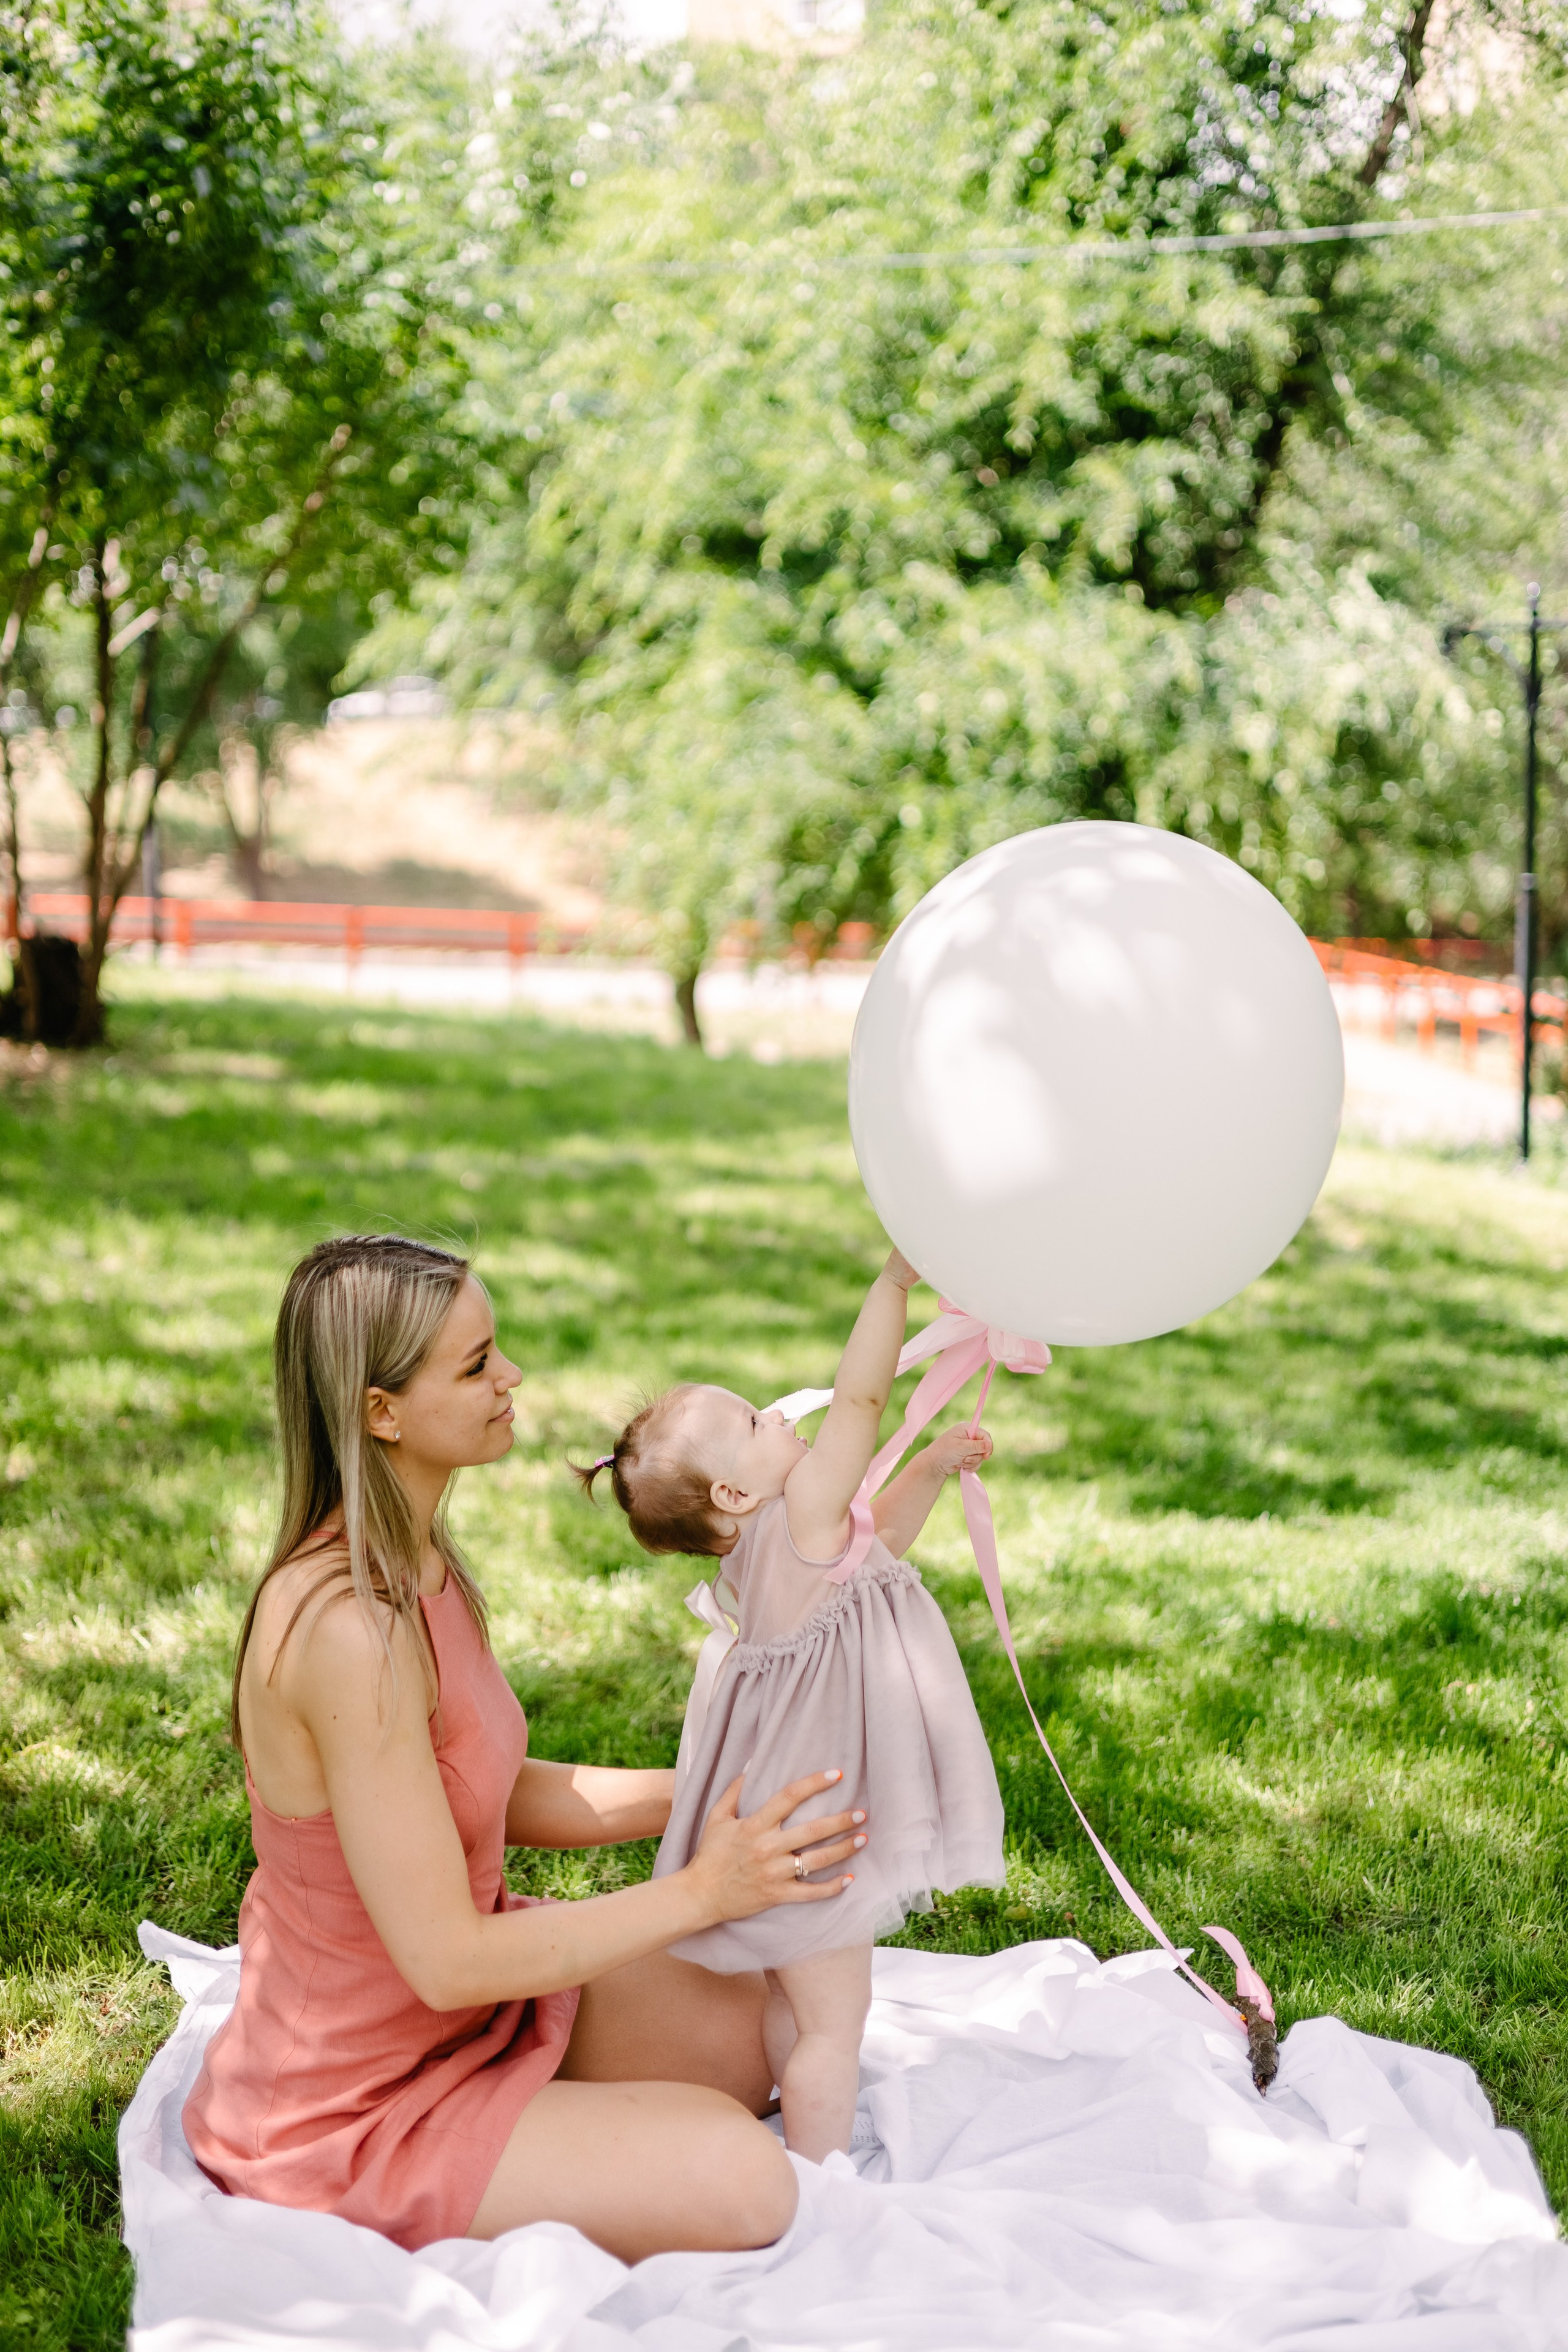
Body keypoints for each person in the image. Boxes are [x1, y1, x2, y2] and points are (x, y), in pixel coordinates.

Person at [183, 1234, 867, 2262]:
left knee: (757, 2032)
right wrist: (702, 1892)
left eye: (495, 1347)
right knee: (746, 2182)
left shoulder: (422, 1561)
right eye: (475, 1366)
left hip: (474, 2015)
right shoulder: (346, 1629)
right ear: (381, 1412)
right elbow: (450, 1961)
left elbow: (484, 1792)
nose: (513, 1378)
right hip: (358, 2098)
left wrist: (710, 1791)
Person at [576, 1250, 1005, 2162]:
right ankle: (822, 2175)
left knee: (795, 2005)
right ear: (734, 1493)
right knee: (831, 2031)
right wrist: (893, 1287)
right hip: (815, 1832)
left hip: (781, 1820)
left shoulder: (771, 1544)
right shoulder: (799, 1513)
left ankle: (800, 2141)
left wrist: (929, 1465)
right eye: (751, 1420)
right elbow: (857, 1402)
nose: (776, 1413)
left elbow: (875, 1542)